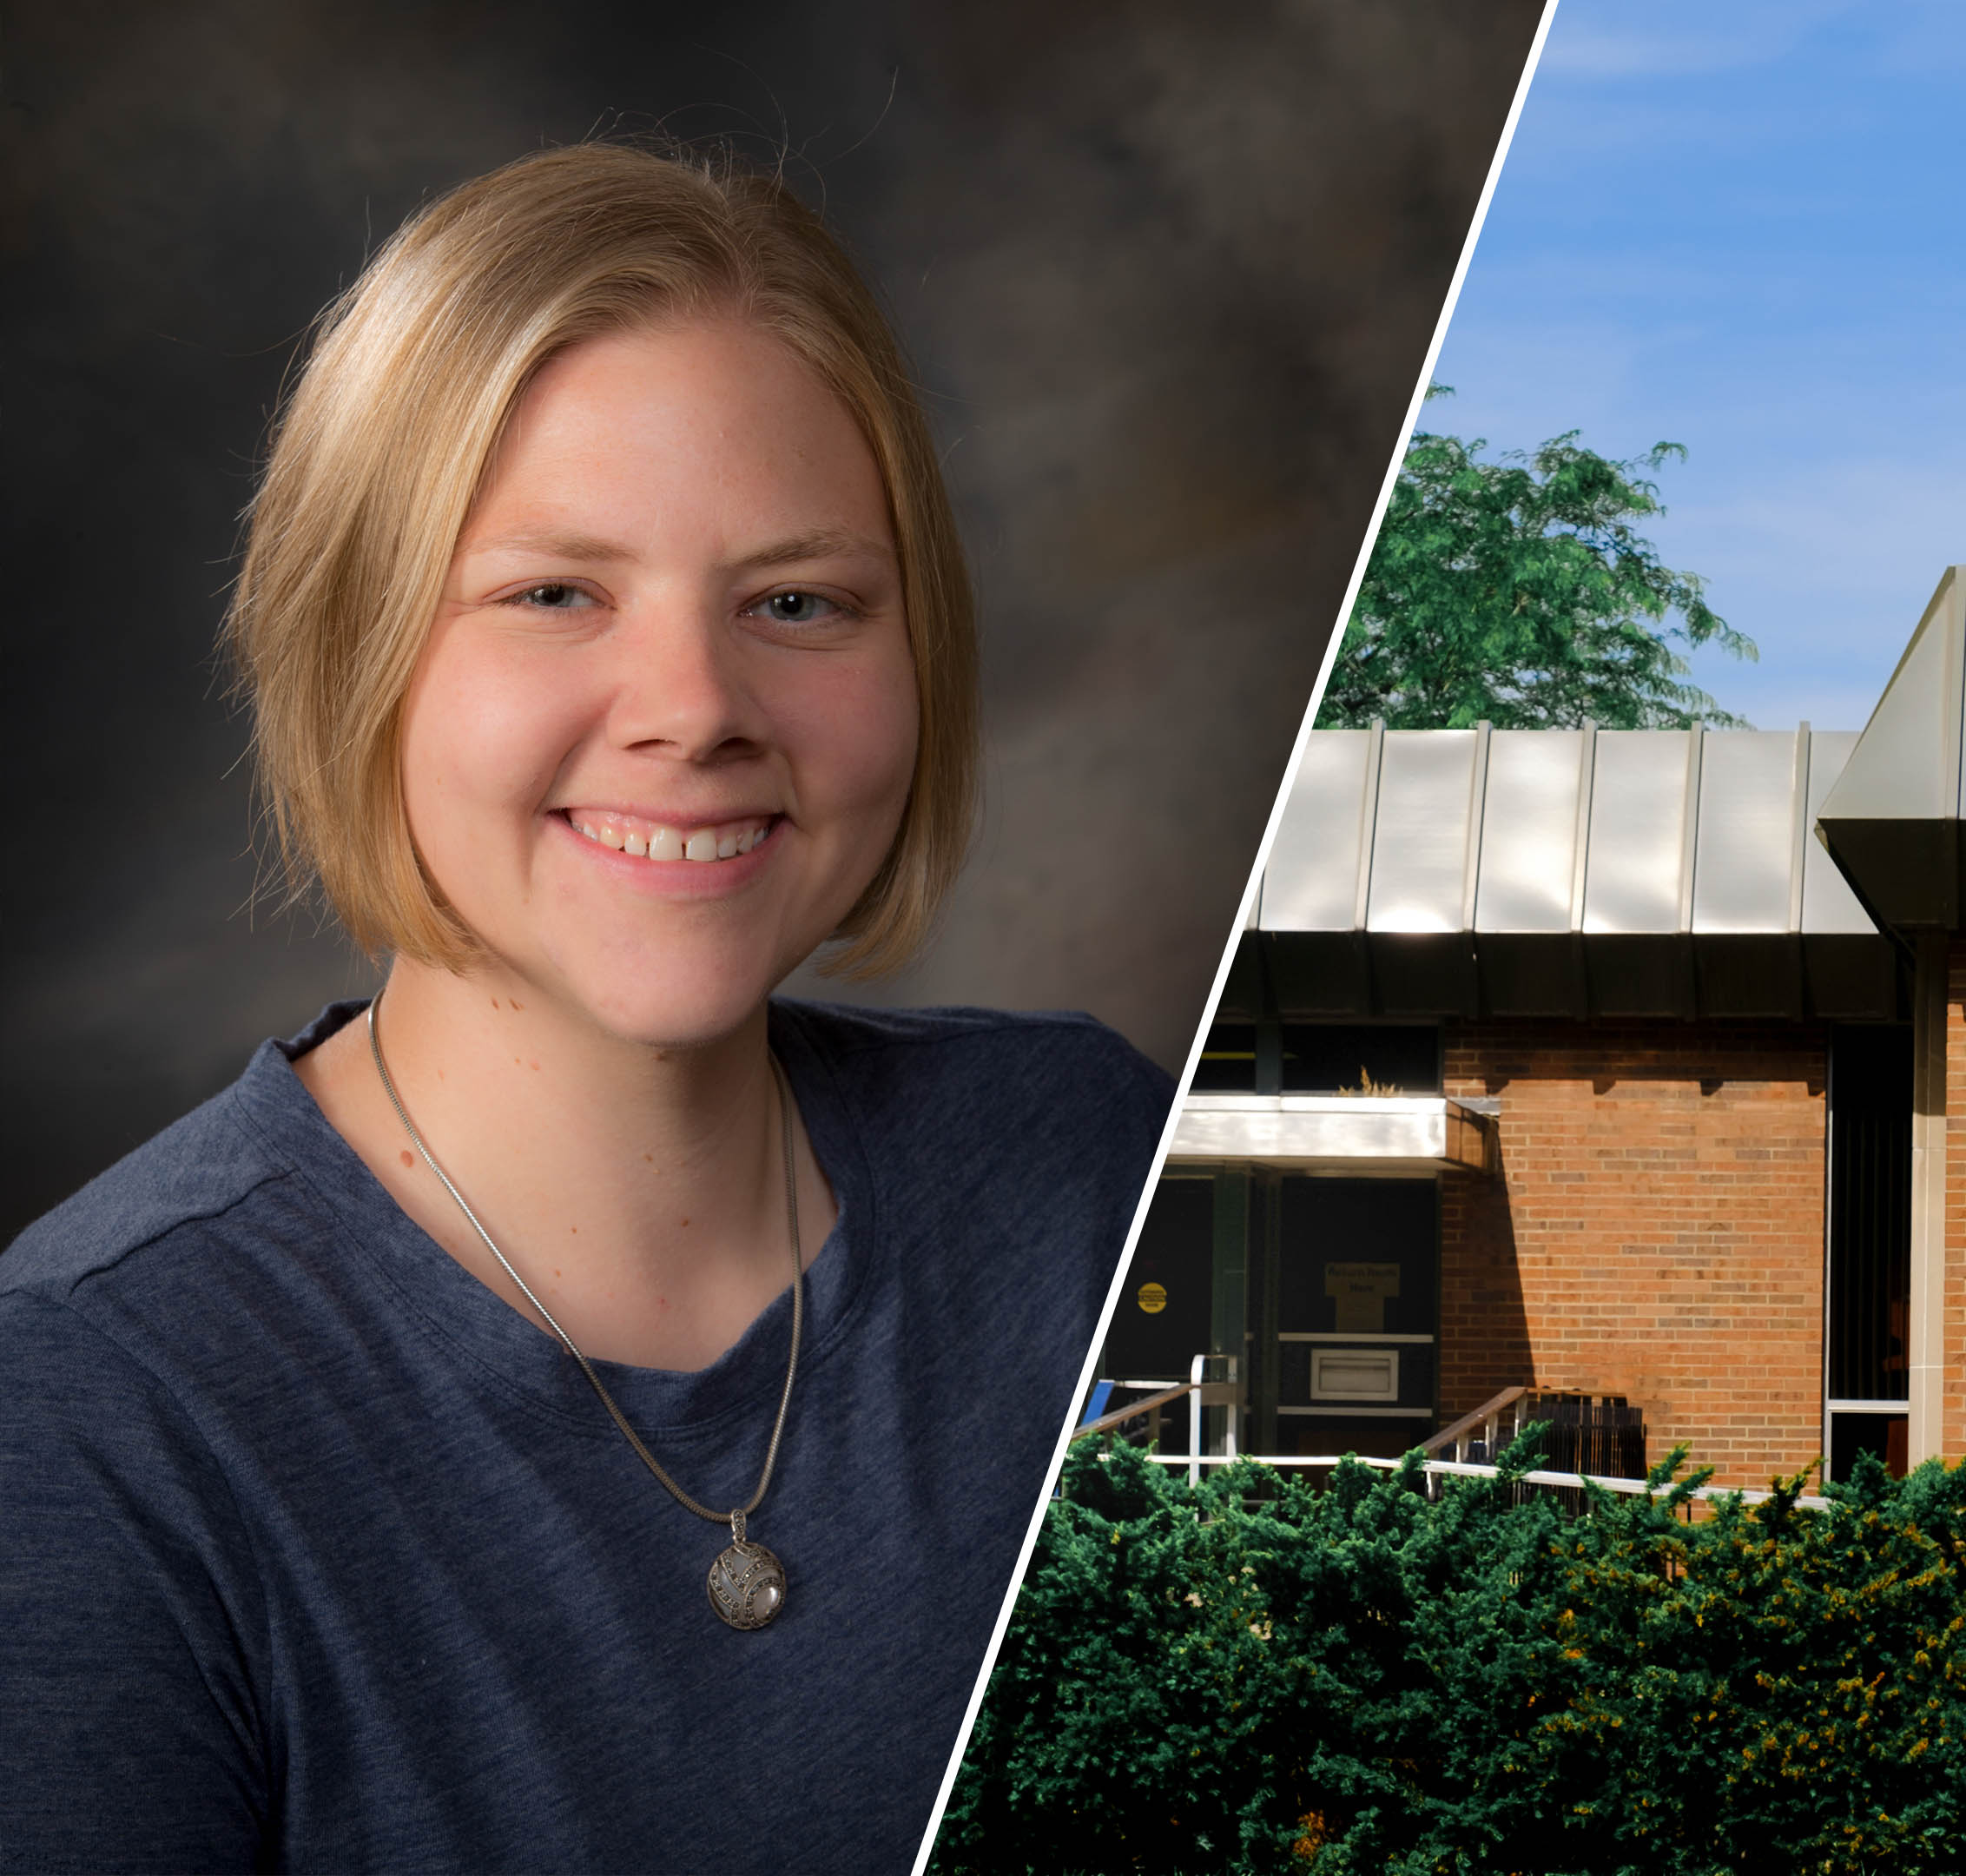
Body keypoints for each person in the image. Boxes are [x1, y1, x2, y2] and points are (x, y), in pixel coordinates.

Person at [0, 142, 1167, 1871]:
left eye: (797, 602)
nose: (695, 709)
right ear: (356, 648)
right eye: (556, 594)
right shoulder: (88, 1408)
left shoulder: (1093, 1176)